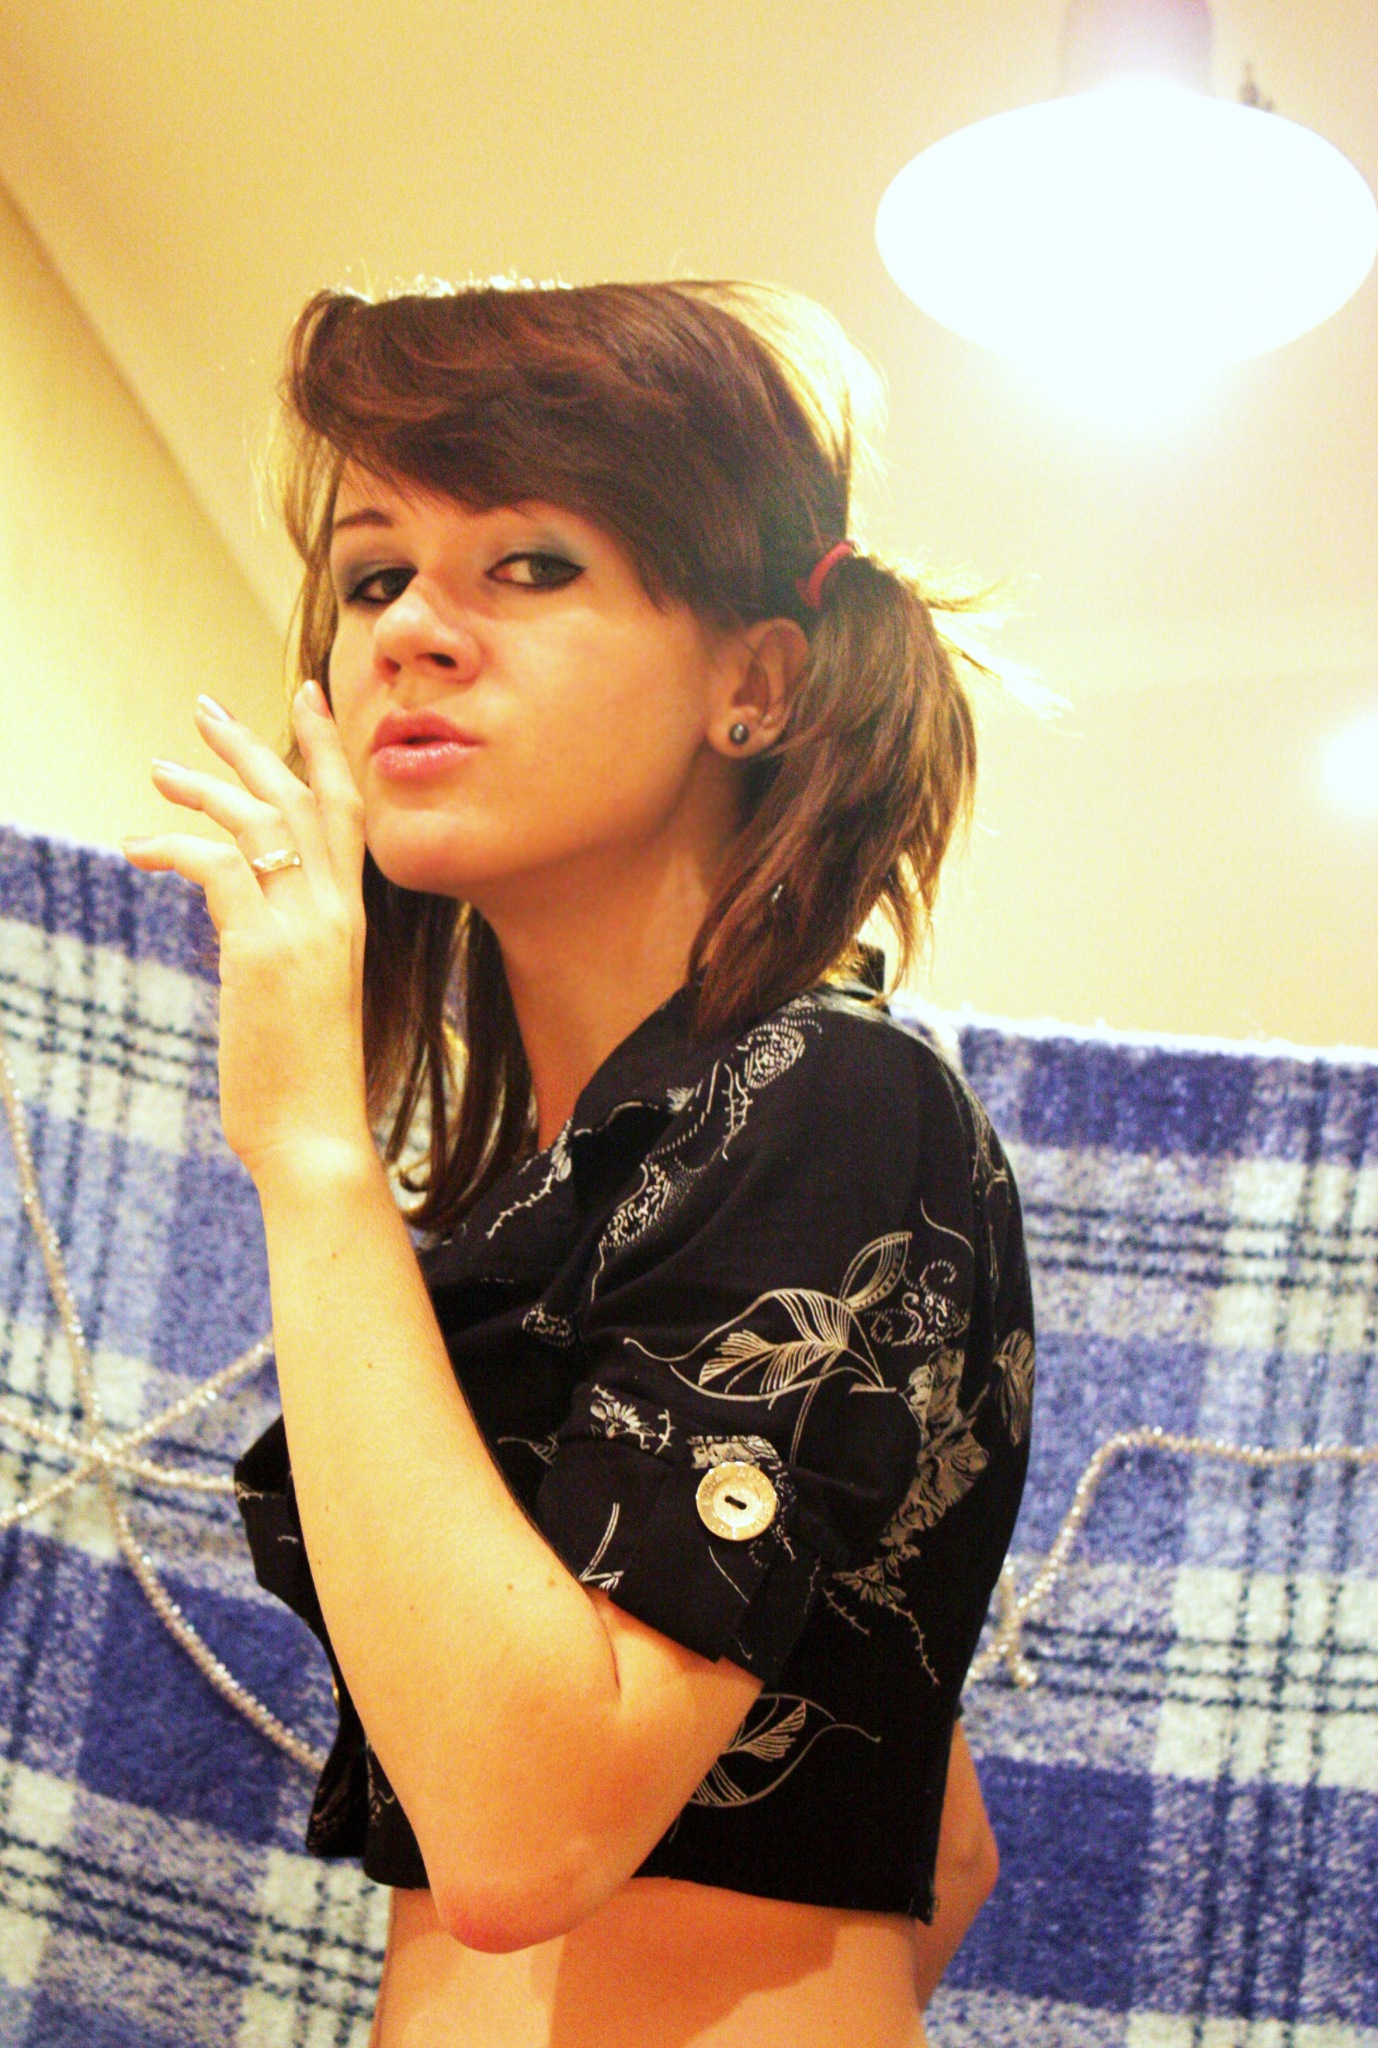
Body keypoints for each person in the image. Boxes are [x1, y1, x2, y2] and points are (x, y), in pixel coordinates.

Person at [120, 276, 1034, 2048]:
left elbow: (525, 1837)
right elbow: (947, 1838)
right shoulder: (577, 1190)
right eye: (372, 577)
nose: (411, 632)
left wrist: (307, 1145)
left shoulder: (828, 1097)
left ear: (753, 684)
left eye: (529, 566)